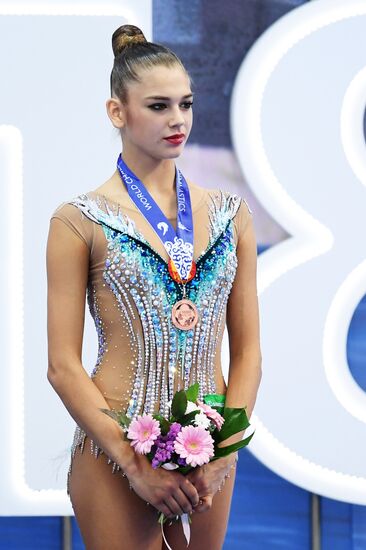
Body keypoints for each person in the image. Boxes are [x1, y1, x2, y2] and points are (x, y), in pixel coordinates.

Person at [46, 24, 262, 550]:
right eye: (159, 106)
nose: (178, 120)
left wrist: (224, 454)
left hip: (207, 456)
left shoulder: (232, 216)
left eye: (185, 105)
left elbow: (250, 352)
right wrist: (135, 466)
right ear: (117, 112)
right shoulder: (80, 220)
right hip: (116, 458)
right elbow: (62, 366)